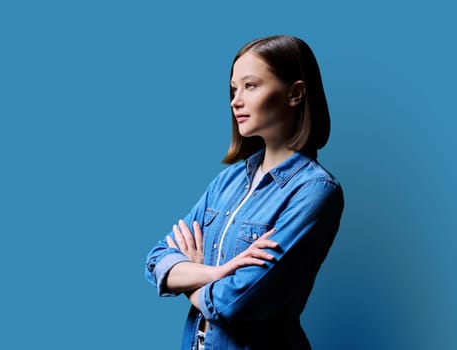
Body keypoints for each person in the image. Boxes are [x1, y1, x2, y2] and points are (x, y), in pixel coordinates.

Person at [145, 35, 344, 350]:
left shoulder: (314, 191)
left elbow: (234, 302)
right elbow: (157, 260)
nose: (235, 101)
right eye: (233, 89)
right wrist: (218, 271)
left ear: (295, 93)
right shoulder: (229, 180)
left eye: (250, 86)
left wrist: (191, 284)